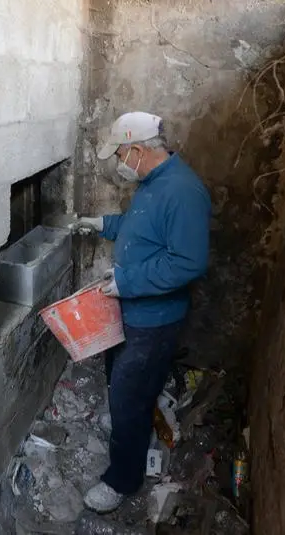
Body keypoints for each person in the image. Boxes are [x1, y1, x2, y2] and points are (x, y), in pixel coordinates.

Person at [71, 111, 211, 513]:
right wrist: (101, 223)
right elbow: (141, 229)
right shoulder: (153, 183)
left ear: (136, 149)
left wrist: (127, 282)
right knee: (122, 381)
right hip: (132, 309)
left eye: (120, 154)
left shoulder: (183, 192)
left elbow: (187, 262)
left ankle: (122, 479)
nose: (119, 163)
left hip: (154, 320)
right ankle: (127, 424)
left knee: (130, 394)